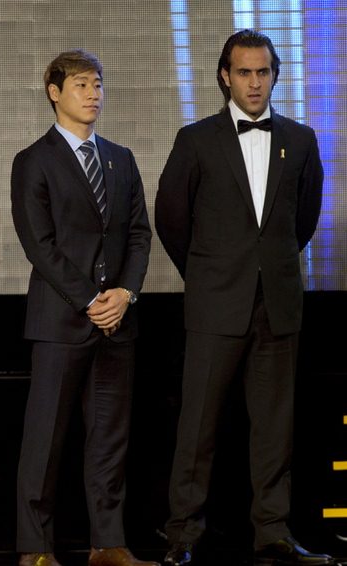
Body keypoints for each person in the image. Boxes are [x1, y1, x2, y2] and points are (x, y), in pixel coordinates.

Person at [155, 30, 332, 565]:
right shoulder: (195, 139)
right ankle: (183, 535)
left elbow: (303, 220)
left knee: (275, 428)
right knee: (198, 426)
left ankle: (272, 533)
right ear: (225, 77)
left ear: (274, 76)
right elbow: (171, 219)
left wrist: (266, 268)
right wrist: (209, 275)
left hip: (277, 304)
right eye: (244, 72)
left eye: (263, 72)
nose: (254, 82)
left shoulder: (301, 139)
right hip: (215, 303)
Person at [11, 49, 154, 566]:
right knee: (45, 440)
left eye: (98, 84)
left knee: (110, 440)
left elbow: (139, 235)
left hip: (117, 322)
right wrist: (92, 299)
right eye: (81, 85)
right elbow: (39, 244)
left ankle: (107, 543)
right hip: (60, 321)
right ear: (55, 93)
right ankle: (35, 548)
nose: (93, 94)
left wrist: (125, 293)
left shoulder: (121, 157)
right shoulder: (33, 160)